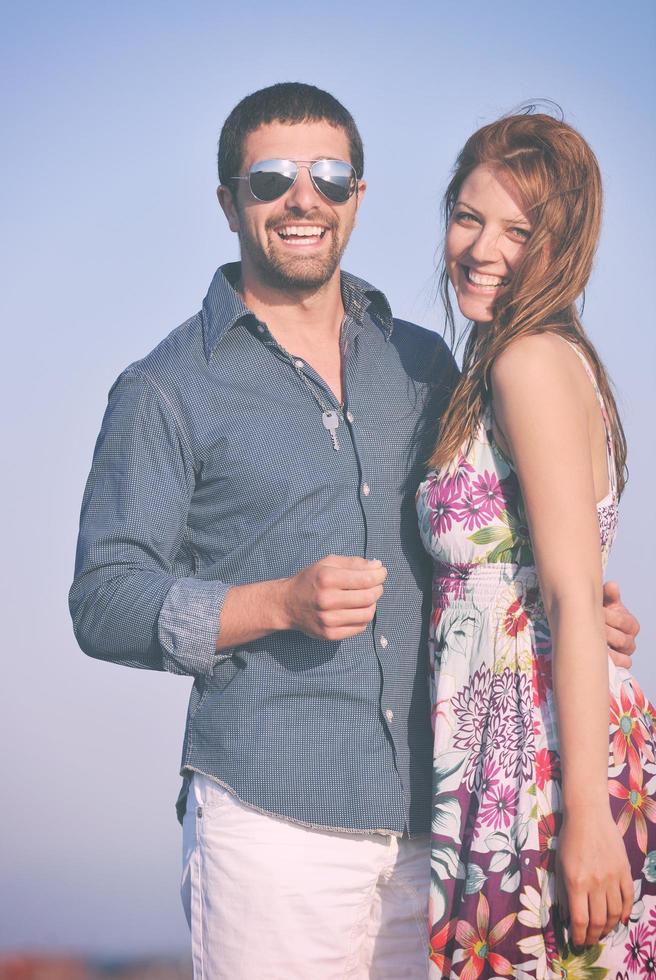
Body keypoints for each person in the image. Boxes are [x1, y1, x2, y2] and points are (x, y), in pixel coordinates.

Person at [69, 85, 638, 980]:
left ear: (359, 198)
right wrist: (273, 604)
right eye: (271, 178)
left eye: (330, 175)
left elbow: (493, 538)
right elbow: (103, 600)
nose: (305, 198)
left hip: (447, 818)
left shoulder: (426, 361)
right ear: (229, 202)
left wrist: (565, 609)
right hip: (272, 826)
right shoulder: (167, 389)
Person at [416, 112, 655, 978]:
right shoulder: (516, 360)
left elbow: (565, 597)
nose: (483, 248)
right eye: (469, 217)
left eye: (519, 231)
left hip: (547, 767)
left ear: (564, 247)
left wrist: (587, 820)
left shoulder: (527, 363)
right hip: (516, 753)